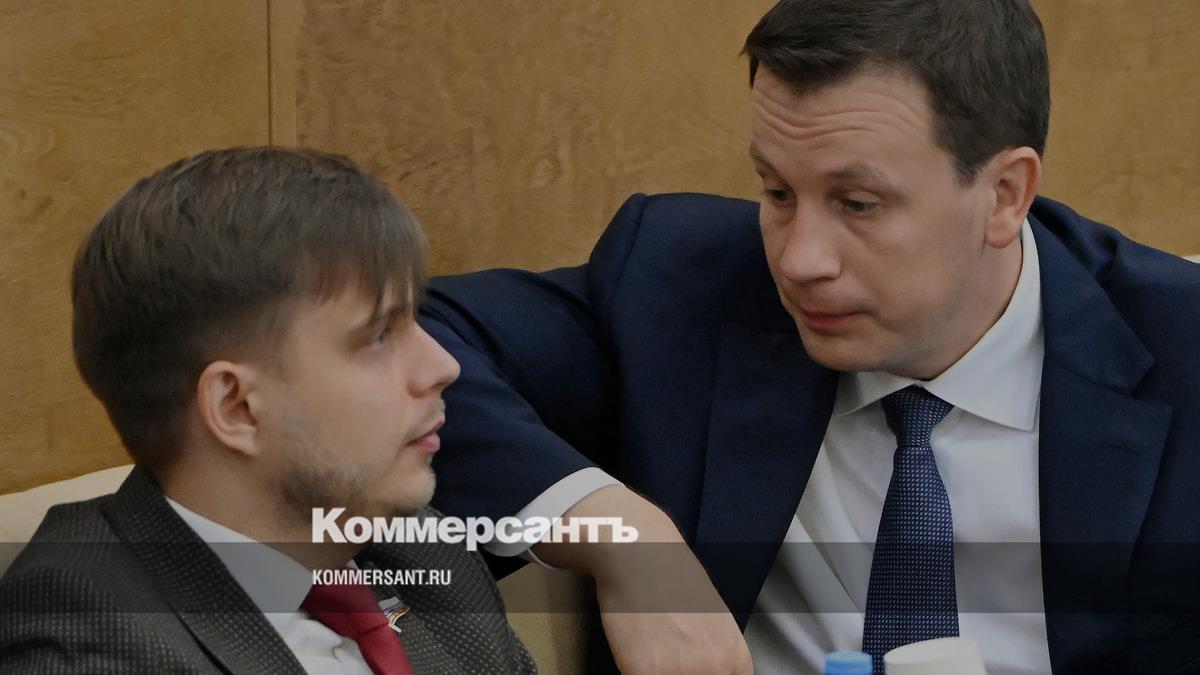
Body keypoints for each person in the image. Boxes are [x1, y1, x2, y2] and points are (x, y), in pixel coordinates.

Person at [418, 1, 1200, 673]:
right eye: (778, 192)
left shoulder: (1181, 349)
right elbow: (398, 346)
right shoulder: (683, 289)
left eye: (857, 203)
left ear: (1004, 194)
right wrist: (621, 533)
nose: (800, 260)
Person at [0, 148, 536, 674]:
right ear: (238, 408)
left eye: (415, 320)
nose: (443, 367)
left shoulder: (423, 550)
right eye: (378, 336)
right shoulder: (89, 646)